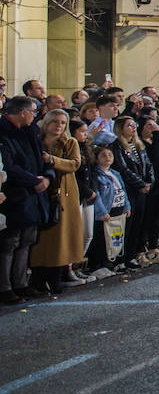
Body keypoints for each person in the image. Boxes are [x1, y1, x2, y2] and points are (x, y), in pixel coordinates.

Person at [29, 109, 84, 294]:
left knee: (61, 237)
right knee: (41, 238)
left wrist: (52, 160)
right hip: (41, 191)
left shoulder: (69, 142)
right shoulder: (37, 141)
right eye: (55, 122)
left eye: (62, 122)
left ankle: (56, 277)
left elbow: (75, 164)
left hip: (64, 192)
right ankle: (38, 278)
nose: (59, 126)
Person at [0, 96, 49, 302]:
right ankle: (5, 287)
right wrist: (33, 180)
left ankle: (21, 283)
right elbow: (8, 166)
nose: (34, 115)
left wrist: (47, 177)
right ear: (22, 112)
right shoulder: (4, 133)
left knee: (27, 240)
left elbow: (43, 157)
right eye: (33, 111)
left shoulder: (30, 132)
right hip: (14, 194)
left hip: (32, 194)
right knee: (10, 242)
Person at [110, 115, 154, 267]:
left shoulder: (138, 145)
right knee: (127, 225)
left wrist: (149, 181)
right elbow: (123, 169)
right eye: (129, 125)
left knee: (137, 224)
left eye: (134, 125)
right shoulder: (117, 146)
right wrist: (140, 183)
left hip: (142, 189)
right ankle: (120, 258)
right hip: (129, 189)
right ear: (120, 128)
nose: (133, 127)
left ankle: (131, 255)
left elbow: (148, 164)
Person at [89, 145, 130, 277]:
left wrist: (127, 206)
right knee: (102, 239)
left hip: (118, 209)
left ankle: (111, 263)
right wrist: (101, 212)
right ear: (96, 159)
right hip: (107, 211)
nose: (107, 157)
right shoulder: (96, 174)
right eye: (103, 155)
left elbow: (123, 191)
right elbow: (97, 194)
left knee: (115, 238)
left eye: (110, 155)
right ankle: (99, 265)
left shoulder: (115, 173)